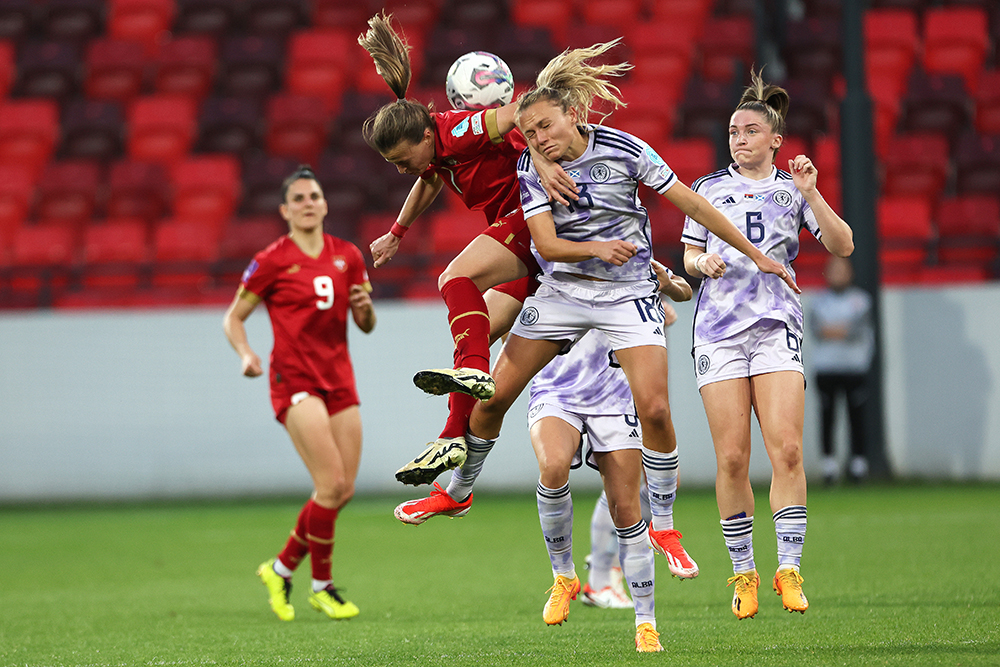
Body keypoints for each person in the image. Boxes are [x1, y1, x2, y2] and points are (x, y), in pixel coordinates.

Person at [395, 40, 797, 652]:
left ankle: (664, 526)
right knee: (492, 396)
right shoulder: (531, 168)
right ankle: (459, 489)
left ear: (573, 116)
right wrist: (591, 244)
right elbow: (546, 246)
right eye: (530, 133)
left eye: (546, 128)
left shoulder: (626, 150)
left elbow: (689, 201)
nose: (539, 140)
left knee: (655, 409)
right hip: (563, 289)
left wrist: (754, 254)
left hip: (625, 293)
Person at [358, 13, 574, 487]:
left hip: (536, 219)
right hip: (527, 238)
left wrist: (540, 159)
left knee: (454, 278)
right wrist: (397, 231)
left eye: (401, 160)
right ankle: (452, 437)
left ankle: (475, 375)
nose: (400, 170)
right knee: (473, 337)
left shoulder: (458, 131)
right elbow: (428, 178)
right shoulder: (436, 148)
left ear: (424, 136)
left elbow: (521, 110)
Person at [679, 70, 854, 621]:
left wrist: (812, 192)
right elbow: (687, 256)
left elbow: (843, 245)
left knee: (789, 450)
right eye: (734, 131)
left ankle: (790, 568)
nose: (739, 139)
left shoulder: (791, 189)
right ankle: (744, 572)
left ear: (775, 139)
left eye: (750, 131)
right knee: (733, 457)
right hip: (718, 331)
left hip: (776, 326)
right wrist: (700, 262)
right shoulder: (707, 188)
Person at [222, 166, 377, 622]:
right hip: (294, 380)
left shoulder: (347, 255)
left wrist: (365, 310)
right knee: (329, 484)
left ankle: (280, 569)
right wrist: (246, 354)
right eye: (299, 198)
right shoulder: (271, 260)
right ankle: (322, 587)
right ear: (285, 211)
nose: (308, 203)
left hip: (339, 379)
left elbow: (366, 325)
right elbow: (233, 317)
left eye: (314, 196)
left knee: (342, 490)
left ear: (325, 205)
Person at [527, 262, 697, 633]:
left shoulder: (631, 255)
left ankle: (636, 613)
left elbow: (681, 290)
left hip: (616, 393)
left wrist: (665, 288)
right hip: (560, 387)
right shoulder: (550, 254)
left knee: (629, 501)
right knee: (554, 467)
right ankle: (585, 576)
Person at [582, 285, 686, 610]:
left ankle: (605, 566)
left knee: (647, 482)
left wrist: (659, 303)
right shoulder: (601, 272)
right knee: (630, 483)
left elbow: (677, 294)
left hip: (630, 380)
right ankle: (602, 575)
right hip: (612, 382)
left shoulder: (637, 271)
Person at [809, 255, 874, 484]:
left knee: (857, 417)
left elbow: (855, 329)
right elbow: (817, 329)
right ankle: (829, 465)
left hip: (854, 367)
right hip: (826, 367)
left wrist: (833, 330)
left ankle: (858, 464)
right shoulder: (818, 301)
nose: (838, 275)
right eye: (834, 270)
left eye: (842, 270)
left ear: (850, 273)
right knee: (827, 417)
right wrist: (841, 330)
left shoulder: (862, 300)